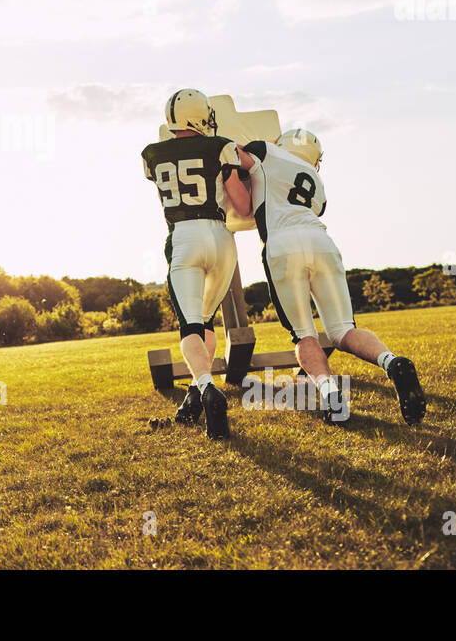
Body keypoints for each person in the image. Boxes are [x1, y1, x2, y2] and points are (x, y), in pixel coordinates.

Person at [225, 129, 426, 425]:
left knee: (304, 334)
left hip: (283, 243)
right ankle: (392, 362)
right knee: (343, 330)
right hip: (321, 242)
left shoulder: (265, 151)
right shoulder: (316, 181)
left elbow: (230, 154)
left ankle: (333, 398)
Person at [141, 89, 241, 439]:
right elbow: (238, 200)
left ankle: (208, 390)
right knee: (207, 321)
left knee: (190, 328)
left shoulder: (151, 154)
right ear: (201, 115)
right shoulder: (221, 146)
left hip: (183, 236)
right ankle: (196, 395)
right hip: (221, 236)